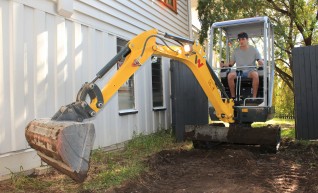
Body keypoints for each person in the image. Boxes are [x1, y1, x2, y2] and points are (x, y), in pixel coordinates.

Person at [222, 32, 263, 100]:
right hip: (239, 71)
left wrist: (262, 62)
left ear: (247, 39)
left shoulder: (254, 50)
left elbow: (260, 61)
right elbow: (231, 64)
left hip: (250, 71)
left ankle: (254, 98)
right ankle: (233, 97)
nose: (241, 41)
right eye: (239, 39)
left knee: (255, 75)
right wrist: (223, 65)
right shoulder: (236, 51)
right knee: (230, 76)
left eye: (243, 39)